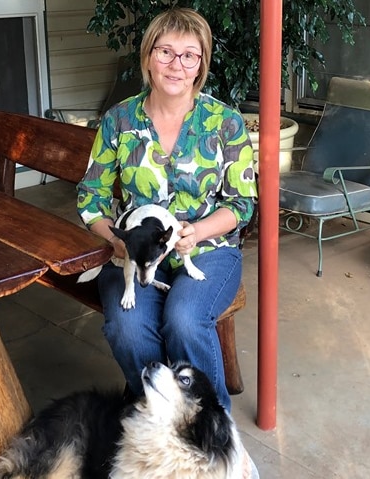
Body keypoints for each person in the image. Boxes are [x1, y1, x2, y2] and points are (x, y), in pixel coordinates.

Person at [76, 7, 257, 412]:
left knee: (185, 321)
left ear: (201, 66)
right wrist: (115, 240)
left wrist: (199, 231)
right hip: (134, 253)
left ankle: (211, 428)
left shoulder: (225, 123)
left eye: (189, 55)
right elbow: (92, 196)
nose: (177, 65)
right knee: (127, 327)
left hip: (208, 250)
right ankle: (162, 415)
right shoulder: (119, 120)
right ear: (147, 59)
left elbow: (242, 204)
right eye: (165, 52)